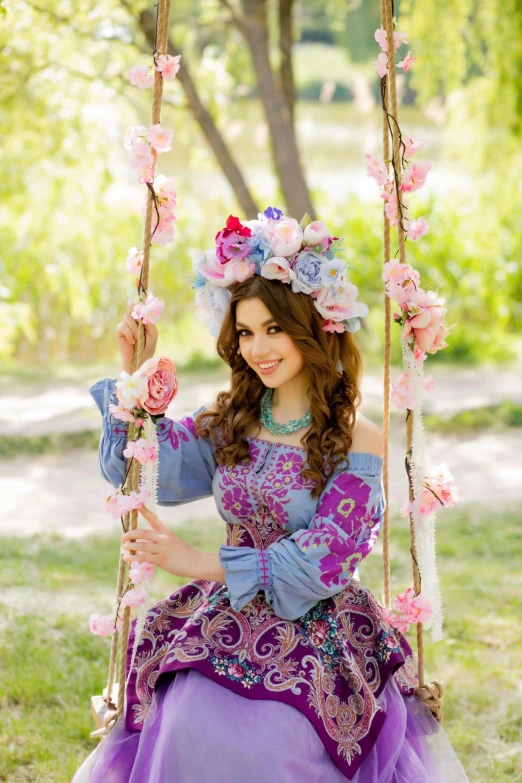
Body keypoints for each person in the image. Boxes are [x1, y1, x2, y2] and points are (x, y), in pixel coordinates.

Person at [73, 210, 470, 782]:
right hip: (226, 618)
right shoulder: (230, 421)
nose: (258, 347)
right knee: (185, 722)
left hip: (317, 627)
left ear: (311, 326)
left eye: (274, 329)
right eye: (245, 332)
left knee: (274, 743)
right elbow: (135, 466)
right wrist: (134, 374)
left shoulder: (359, 441)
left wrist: (198, 562)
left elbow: (327, 558)